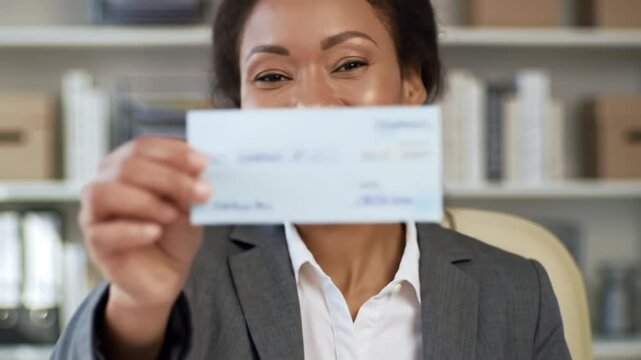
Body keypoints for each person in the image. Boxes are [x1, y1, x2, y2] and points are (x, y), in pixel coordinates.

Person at [52, 0, 571, 359]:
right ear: (238, 106)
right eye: (272, 77)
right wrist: (139, 308)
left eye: (348, 63)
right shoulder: (180, 276)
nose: (313, 103)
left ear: (413, 85)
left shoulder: (518, 291)